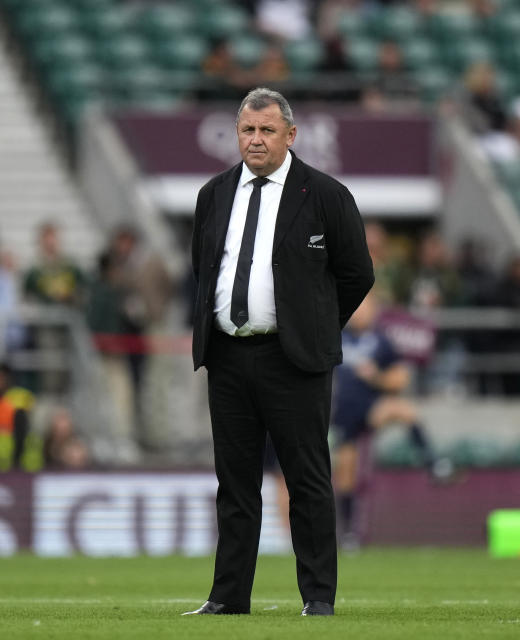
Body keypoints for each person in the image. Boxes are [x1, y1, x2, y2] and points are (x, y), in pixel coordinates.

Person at [185, 88, 374, 617]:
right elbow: (205, 271)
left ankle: (318, 597)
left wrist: (312, 328)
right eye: (248, 129)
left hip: (295, 361)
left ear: (291, 136)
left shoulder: (326, 194)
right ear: (236, 132)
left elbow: (358, 274)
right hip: (227, 356)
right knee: (235, 484)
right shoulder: (214, 194)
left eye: (267, 130)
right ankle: (227, 598)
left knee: (308, 480)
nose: (256, 139)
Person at [331, 294, 452, 550]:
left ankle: (432, 463)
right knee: (346, 473)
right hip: (342, 412)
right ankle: (349, 533)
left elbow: (401, 379)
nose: (359, 312)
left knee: (404, 410)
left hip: (371, 406)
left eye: (365, 307)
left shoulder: (382, 341)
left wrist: (376, 377)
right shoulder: (336, 336)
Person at [23, 222, 85, 307]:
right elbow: (28, 297)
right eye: (46, 240)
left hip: (68, 314)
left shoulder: (71, 267)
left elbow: (83, 290)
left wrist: (73, 297)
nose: (50, 243)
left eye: (53, 238)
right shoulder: (34, 272)